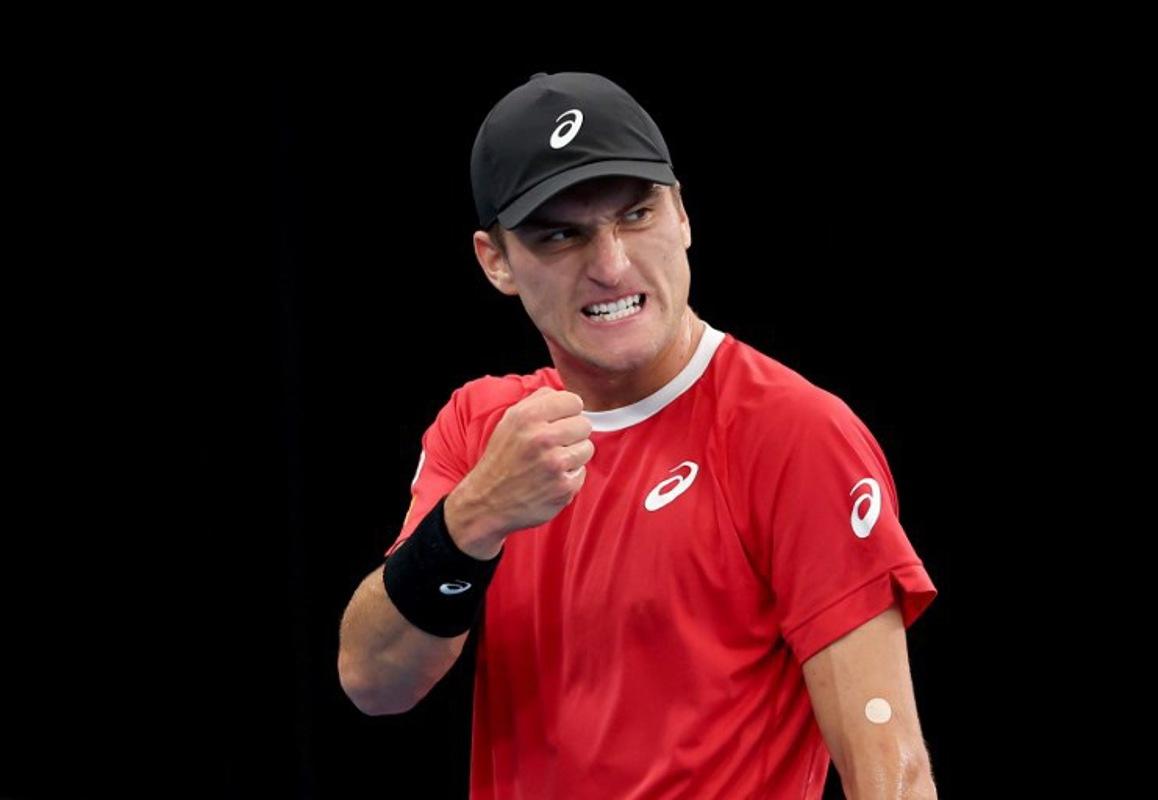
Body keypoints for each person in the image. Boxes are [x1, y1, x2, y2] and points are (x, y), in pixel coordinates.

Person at [338, 71, 939, 799]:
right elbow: (373, 681)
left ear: (683, 215)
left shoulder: (793, 432)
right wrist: (470, 520)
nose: (612, 264)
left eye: (636, 215)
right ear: (495, 261)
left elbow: (892, 768)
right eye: (560, 234)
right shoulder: (482, 428)